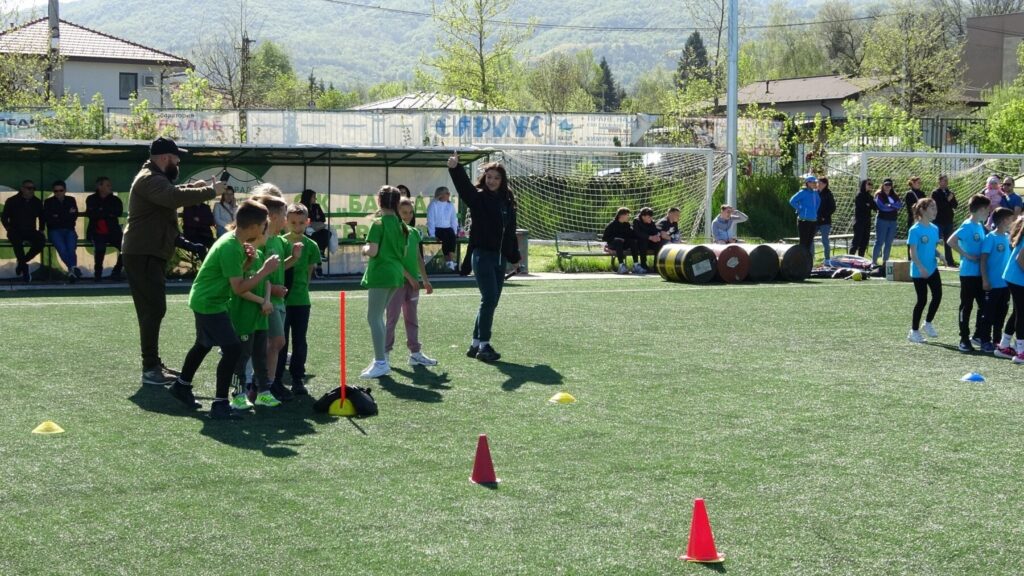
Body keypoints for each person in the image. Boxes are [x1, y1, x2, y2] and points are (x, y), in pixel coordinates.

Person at [122, 137, 225, 387]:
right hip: (143, 253)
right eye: (176, 158)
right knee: (152, 309)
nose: (178, 162)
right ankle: (150, 367)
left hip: (147, 252)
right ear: (165, 158)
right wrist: (210, 191)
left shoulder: (154, 178)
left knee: (153, 309)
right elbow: (172, 196)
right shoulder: (150, 178)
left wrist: (193, 187)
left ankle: (153, 364)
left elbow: (171, 193)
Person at [167, 200, 280, 419]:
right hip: (209, 302)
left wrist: (249, 263)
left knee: (203, 344)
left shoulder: (233, 242)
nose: (264, 229)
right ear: (254, 227)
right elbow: (238, 288)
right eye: (263, 225)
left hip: (210, 300)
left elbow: (232, 276)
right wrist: (265, 270)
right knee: (233, 349)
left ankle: (181, 385)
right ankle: (220, 404)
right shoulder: (230, 246)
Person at [447, 153, 522, 362]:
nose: (492, 181)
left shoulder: (508, 202)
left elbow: (510, 233)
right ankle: (484, 345)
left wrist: (514, 257)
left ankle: (475, 345)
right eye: (489, 177)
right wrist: (455, 168)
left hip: (499, 259)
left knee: (491, 301)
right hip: (482, 256)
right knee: (489, 299)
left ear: (502, 180)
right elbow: (464, 188)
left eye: (496, 178)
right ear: (484, 178)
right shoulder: (478, 198)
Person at [360, 186, 418, 378]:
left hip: (381, 274)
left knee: (374, 317)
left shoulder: (378, 224)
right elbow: (403, 252)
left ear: (379, 201)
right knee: (378, 318)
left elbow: (373, 251)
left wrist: (364, 248)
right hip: (395, 274)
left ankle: (381, 361)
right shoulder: (402, 226)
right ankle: (380, 358)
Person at [252, 193, 303, 400]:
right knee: (276, 341)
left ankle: (266, 385)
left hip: (279, 300)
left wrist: (294, 258)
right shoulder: (262, 241)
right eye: (284, 215)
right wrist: (272, 290)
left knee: (276, 343)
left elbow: (280, 267)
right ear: (273, 217)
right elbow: (256, 273)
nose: (286, 220)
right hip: (267, 299)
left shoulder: (279, 241)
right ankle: (263, 384)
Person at [271, 202, 322, 397]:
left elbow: (309, 273)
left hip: (301, 301)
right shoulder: (281, 243)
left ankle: (297, 378)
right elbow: (277, 270)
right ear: (286, 221)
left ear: (307, 222)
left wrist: (303, 290)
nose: (297, 226)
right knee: (280, 341)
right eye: (293, 222)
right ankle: (276, 378)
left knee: (300, 341)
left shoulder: (312, 246)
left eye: (301, 223)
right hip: (282, 300)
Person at [226, 214, 275, 410]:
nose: (269, 235)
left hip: (260, 317)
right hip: (243, 317)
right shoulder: (242, 255)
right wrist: (262, 301)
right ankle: (238, 396)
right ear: (259, 232)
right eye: (266, 230)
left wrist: (267, 301)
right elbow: (239, 289)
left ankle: (264, 393)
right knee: (242, 357)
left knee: (260, 357)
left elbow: (267, 280)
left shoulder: (261, 255)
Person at [386, 197, 437, 366]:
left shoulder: (414, 232)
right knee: (392, 319)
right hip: (396, 282)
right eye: (404, 212)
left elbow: (418, 258)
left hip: (413, 283)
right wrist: (409, 277)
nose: (407, 216)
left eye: (410, 212)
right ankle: (383, 356)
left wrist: (425, 280)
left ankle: (415, 354)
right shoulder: (393, 232)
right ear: (396, 212)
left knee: (412, 319)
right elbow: (393, 259)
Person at [947, 194, 992, 353]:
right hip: (968, 273)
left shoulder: (979, 225)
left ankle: (978, 335)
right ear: (981, 209)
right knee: (966, 306)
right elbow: (951, 241)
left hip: (980, 273)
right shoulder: (967, 225)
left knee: (984, 306)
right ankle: (964, 339)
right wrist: (967, 255)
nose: (989, 212)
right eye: (987, 209)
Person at [977, 207, 1014, 353]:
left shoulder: (1007, 237)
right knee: (988, 314)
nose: (1012, 222)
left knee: (1001, 314)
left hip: (1006, 284)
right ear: (1004, 221)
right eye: (1011, 220)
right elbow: (983, 260)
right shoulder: (990, 238)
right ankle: (984, 340)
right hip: (992, 284)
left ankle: (997, 340)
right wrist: (985, 280)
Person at [906, 198, 942, 344]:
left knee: (938, 296)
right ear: (922, 210)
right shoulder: (915, 230)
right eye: (932, 208)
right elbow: (912, 253)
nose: (935, 210)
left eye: (935, 207)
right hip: (919, 271)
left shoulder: (934, 228)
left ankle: (927, 323)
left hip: (932, 268)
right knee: (922, 300)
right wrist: (920, 267)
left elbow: (932, 248)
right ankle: (913, 331)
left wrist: (940, 255)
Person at [2, 179, 44, 282]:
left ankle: (22, 263)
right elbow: (4, 217)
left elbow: (42, 217)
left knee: (41, 241)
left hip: (30, 230)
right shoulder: (12, 201)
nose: (31, 190)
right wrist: (8, 228)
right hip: (15, 230)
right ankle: (24, 269)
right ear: (22, 189)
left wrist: (41, 229)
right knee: (17, 242)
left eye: (33, 188)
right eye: (29, 188)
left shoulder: (37, 202)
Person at [86, 176, 124, 282]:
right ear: (99, 186)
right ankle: (98, 274)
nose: (110, 187)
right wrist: (107, 213)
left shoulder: (115, 200)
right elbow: (91, 214)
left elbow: (118, 212)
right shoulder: (91, 199)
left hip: (113, 231)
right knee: (100, 249)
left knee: (126, 248)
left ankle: (116, 272)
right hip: (97, 231)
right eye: (107, 185)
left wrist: (101, 211)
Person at [42, 180, 81, 281]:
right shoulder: (48, 202)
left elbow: (74, 216)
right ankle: (73, 268)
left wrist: (57, 216)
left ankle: (72, 272)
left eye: (61, 190)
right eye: (56, 191)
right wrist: (66, 214)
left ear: (65, 190)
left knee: (71, 249)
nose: (58, 193)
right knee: (62, 249)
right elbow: (48, 218)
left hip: (69, 229)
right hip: (54, 230)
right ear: (53, 191)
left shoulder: (71, 200)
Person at [1000, 216, 1024, 363]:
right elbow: (1020, 259)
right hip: (1017, 278)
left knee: (1018, 311)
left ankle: (1003, 346)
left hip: (1013, 277)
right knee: (1022, 313)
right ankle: (1021, 352)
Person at [427, 186, 460, 272]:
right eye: (447, 193)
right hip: (437, 229)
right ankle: (448, 261)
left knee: (452, 236)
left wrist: (455, 231)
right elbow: (431, 220)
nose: (449, 194)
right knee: (445, 236)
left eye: (449, 193)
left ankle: (450, 260)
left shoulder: (450, 205)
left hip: (447, 228)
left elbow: (453, 219)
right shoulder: (433, 204)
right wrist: (432, 234)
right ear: (440, 195)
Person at [300, 188, 330, 277]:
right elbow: (304, 219)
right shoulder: (301, 207)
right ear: (308, 197)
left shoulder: (316, 206)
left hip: (316, 229)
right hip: (304, 231)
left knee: (327, 233)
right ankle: (314, 268)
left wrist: (315, 220)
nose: (315, 199)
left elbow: (323, 218)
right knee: (315, 240)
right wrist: (315, 219)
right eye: (313, 197)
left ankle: (320, 258)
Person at [872, 179, 902, 266]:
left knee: (888, 242)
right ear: (882, 185)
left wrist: (889, 205)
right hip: (882, 220)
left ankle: (885, 262)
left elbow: (899, 205)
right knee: (879, 241)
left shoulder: (895, 195)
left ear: (891, 186)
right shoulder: (879, 195)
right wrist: (893, 207)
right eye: (886, 184)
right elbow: (882, 207)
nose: (888, 186)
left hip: (893, 221)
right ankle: (874, 262)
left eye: (889, 185)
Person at [789, 174, 821, 256]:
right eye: (813, 182)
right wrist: (800, 209)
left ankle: (806, 260)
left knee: (809, 242)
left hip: (813, 220)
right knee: (803, 243)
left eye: (815, 182)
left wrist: (814, 212)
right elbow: (792, 201)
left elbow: (818, 203)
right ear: (808, 183)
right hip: (804, 220)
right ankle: (801, 259)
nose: (815, 184)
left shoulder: (815, 193)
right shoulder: (802, 192)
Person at [931, 175, 958, 267]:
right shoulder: (935, 193)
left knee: (948, 241)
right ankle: (929, 257)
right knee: (935, 241)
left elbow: (955, 205)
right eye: (944, 180)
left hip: (948, 221)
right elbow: (939, 206)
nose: (946, 182)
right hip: (938, 221)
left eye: (947, 180)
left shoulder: (950, 192)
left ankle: (949, 261)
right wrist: (947, 200)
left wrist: (951, 199)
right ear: (939, 182)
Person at [602, 207, 638, 274]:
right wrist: (616, 238)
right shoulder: (612, 224)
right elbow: (604, 238)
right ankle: (621, 266)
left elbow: (631, 235)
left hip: (623, 245)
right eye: (627, 215)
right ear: (621, 215)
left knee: (633, 241)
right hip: (613, 245)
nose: (629, 217)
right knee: (618, 241)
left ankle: (636, 265)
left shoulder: (627, 224)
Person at [632, 207, 664, 273]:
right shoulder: (636, 221)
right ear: (643, 216)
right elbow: (638, 233)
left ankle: (656, 265)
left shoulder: (651, 222)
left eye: (651, 217)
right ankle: (643, 264)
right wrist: (650, 237)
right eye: (649, 217)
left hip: (649, 242)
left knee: (659, 243)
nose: (651, 218)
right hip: (638, 243)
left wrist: (657, 236)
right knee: (644, 241)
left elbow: (655, 231)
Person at [851, 179, 875, 257]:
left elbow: (875, 207)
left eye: (871, 184)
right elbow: (862, 207)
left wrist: (868, 205)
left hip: (867, 221)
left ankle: (861, 259)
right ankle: (850, 258)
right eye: (869, 184)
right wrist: (868, 205)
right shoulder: (859, 195)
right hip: (859, 221)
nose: (870, 186)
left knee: (864, 242)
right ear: (864, 185)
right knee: (856, 242)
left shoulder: (870, 196)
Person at [816, 177, 836, 260]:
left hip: (825, 222)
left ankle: (827, 259)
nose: (818, 184)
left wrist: (824, 216)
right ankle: (810, 257)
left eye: (820, 183)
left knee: (825, 240)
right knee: (809, 238)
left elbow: (833, 208)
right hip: (815, 220)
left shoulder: (829, 194)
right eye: (818, 183)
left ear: (825, 184)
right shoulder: (815, 193)